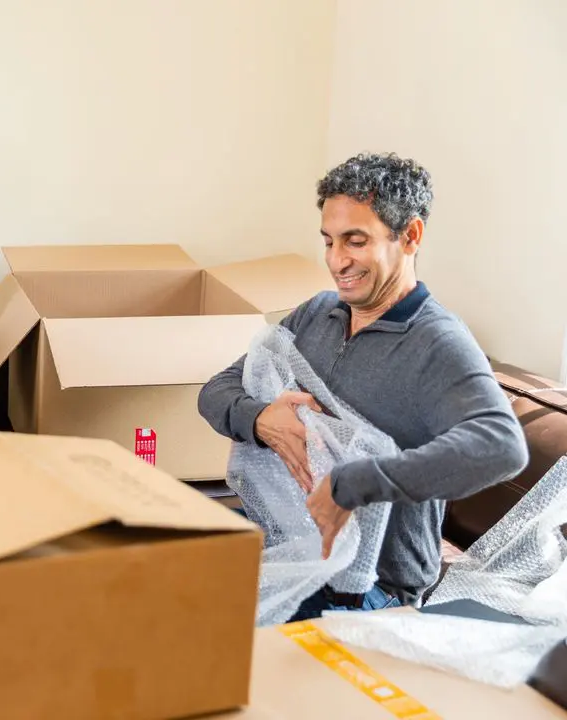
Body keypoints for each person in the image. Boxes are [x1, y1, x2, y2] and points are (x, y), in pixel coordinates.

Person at [198, 152, 528, 619]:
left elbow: (501, 446)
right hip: (287, 545)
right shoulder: (317, 313)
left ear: (410, 236)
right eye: (329, 241)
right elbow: (216, 390)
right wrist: (261, 420)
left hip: (367, 590)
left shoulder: (438, 342)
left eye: (355, 241)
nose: (336, 260)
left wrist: (352, 485)